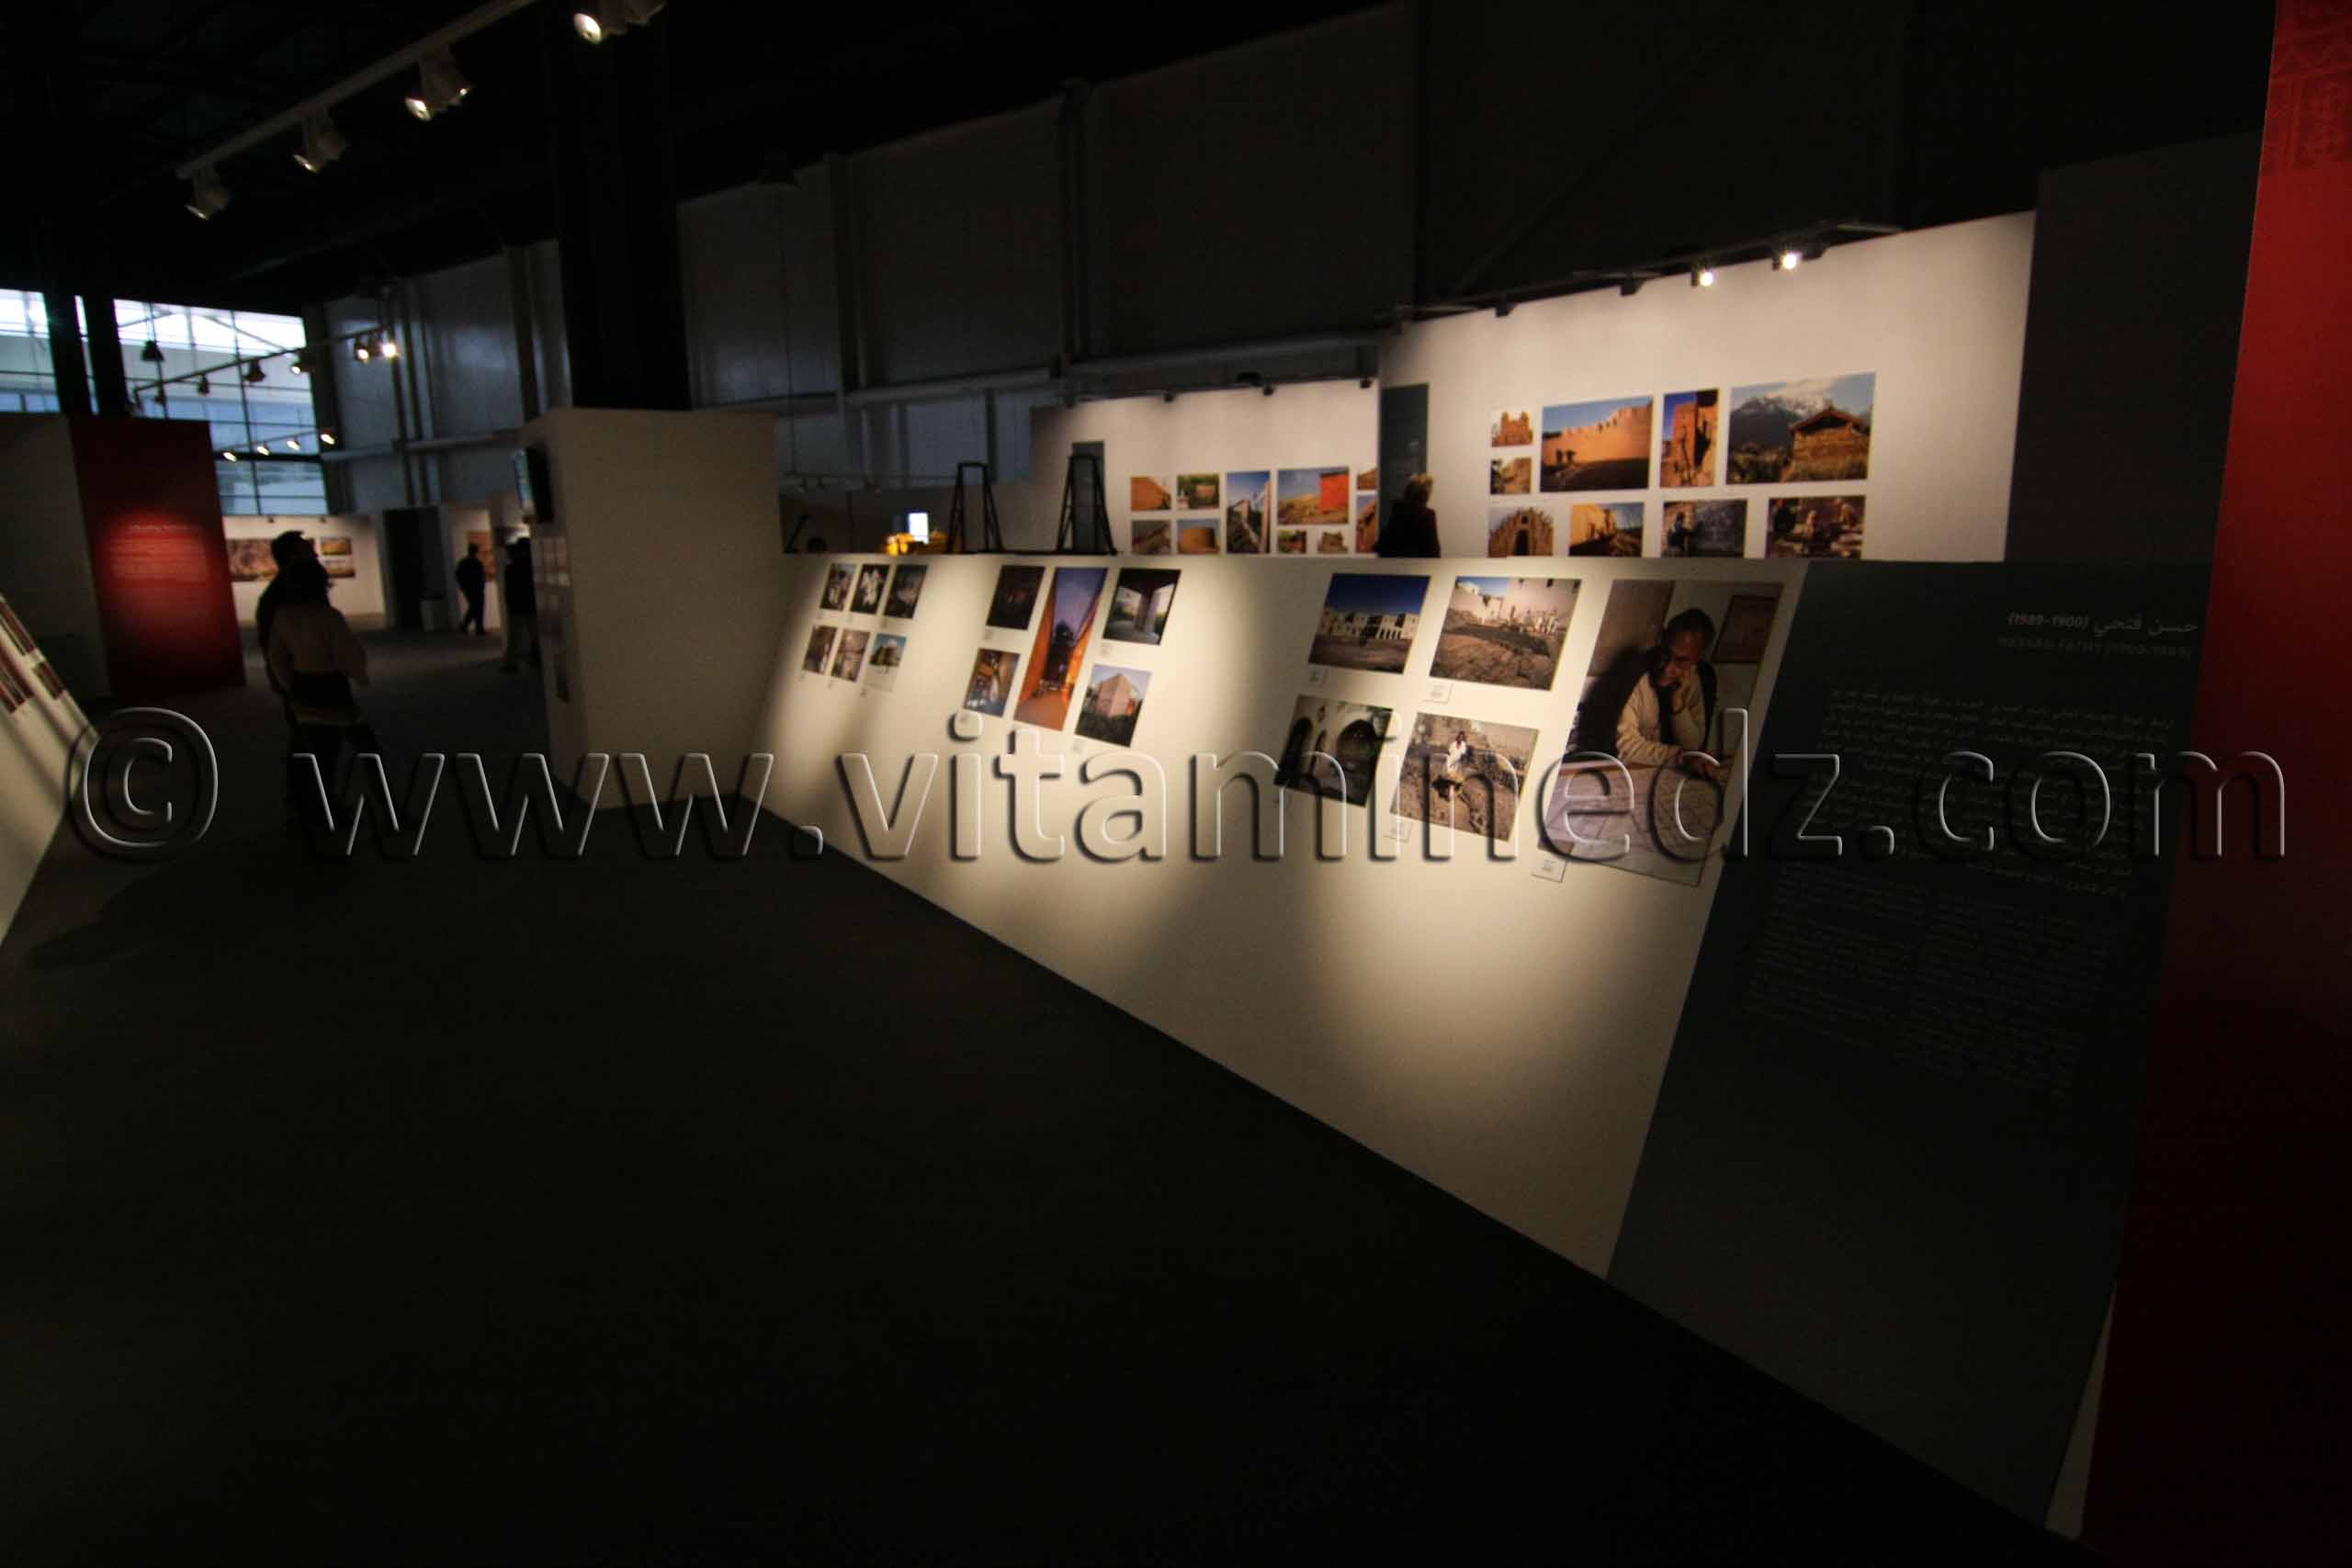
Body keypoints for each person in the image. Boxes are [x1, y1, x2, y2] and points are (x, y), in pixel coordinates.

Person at [265, 556, 378, 828]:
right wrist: (360, 675)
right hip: (332, 690)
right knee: (368, 750)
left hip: (304, 689)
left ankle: (317, 810)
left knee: (319, 755)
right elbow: (347, 654)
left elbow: (276, 657)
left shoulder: (283, 616)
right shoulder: (328, 617)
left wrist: (290, 685)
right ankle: (385, 807)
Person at [1614, 607, 1723, 780]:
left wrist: (1678, 704)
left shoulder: (1700, 679)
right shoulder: (1634, 673)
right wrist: (1679, 757)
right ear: (1662, 639)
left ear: (1697, 659)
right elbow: (1626, 744)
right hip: (1631, 773)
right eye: (1666, 653)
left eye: (1681, 660)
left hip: (1672, 778)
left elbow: (1694, 746)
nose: (1667, 668)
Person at [500, 538, 539, 672]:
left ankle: (512, 663)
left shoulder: (512, 568)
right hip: (529, 604)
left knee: (515, 636)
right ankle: (537, 658)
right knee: (535, 634)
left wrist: (510, 603)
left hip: (518, 606)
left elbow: (510, 589)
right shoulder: (531, 566)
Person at [1377, 474, 1441, 558]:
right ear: (1425, 495)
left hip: (1394, 566)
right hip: (1419, 566)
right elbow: (1433, 550)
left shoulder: (1397, 511)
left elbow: (1386, 545)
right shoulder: (1427, 515)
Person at [453, 547, 487, 635]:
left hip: (471, 589)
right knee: (476, 607)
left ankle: (474, 627)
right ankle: (472, 627)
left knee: (475, 607)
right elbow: (481, 576)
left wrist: (462, 586)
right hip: (475, 588)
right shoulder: (476, 563)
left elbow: (458, 575)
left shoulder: (464, 562)